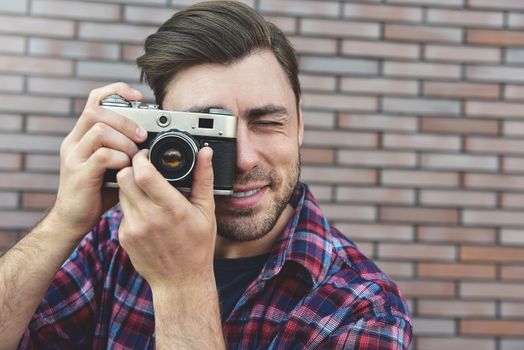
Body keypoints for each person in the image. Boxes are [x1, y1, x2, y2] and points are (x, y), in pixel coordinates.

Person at [0, 1, 412, 349]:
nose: (246, 159)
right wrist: (64, 222)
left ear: (300, 123)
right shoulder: (114, 240)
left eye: (267, 122)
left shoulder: (362, 306)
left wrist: (181, 286)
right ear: (160, 135)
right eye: (209, 131)